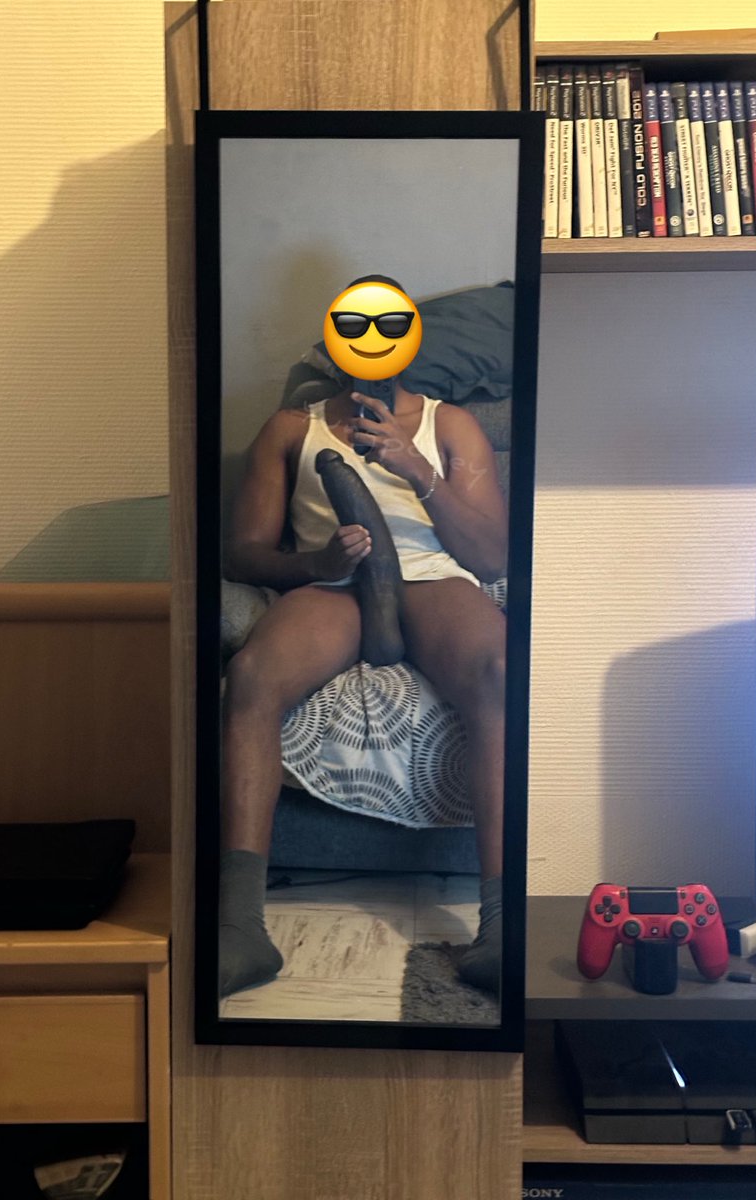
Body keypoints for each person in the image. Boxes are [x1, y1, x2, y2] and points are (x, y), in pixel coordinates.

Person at [219, 323, 508, 1000]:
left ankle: (502, 925)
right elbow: (242, 553)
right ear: (330, 346)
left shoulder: (450, 426)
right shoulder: (291, 428)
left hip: (431, 580)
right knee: (252, 677)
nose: (369, 342)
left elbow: (492, 557)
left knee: (500, 673)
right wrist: (316, 562)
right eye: (352, 328)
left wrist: (417, 470)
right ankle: (238, 927)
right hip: (334, 585)